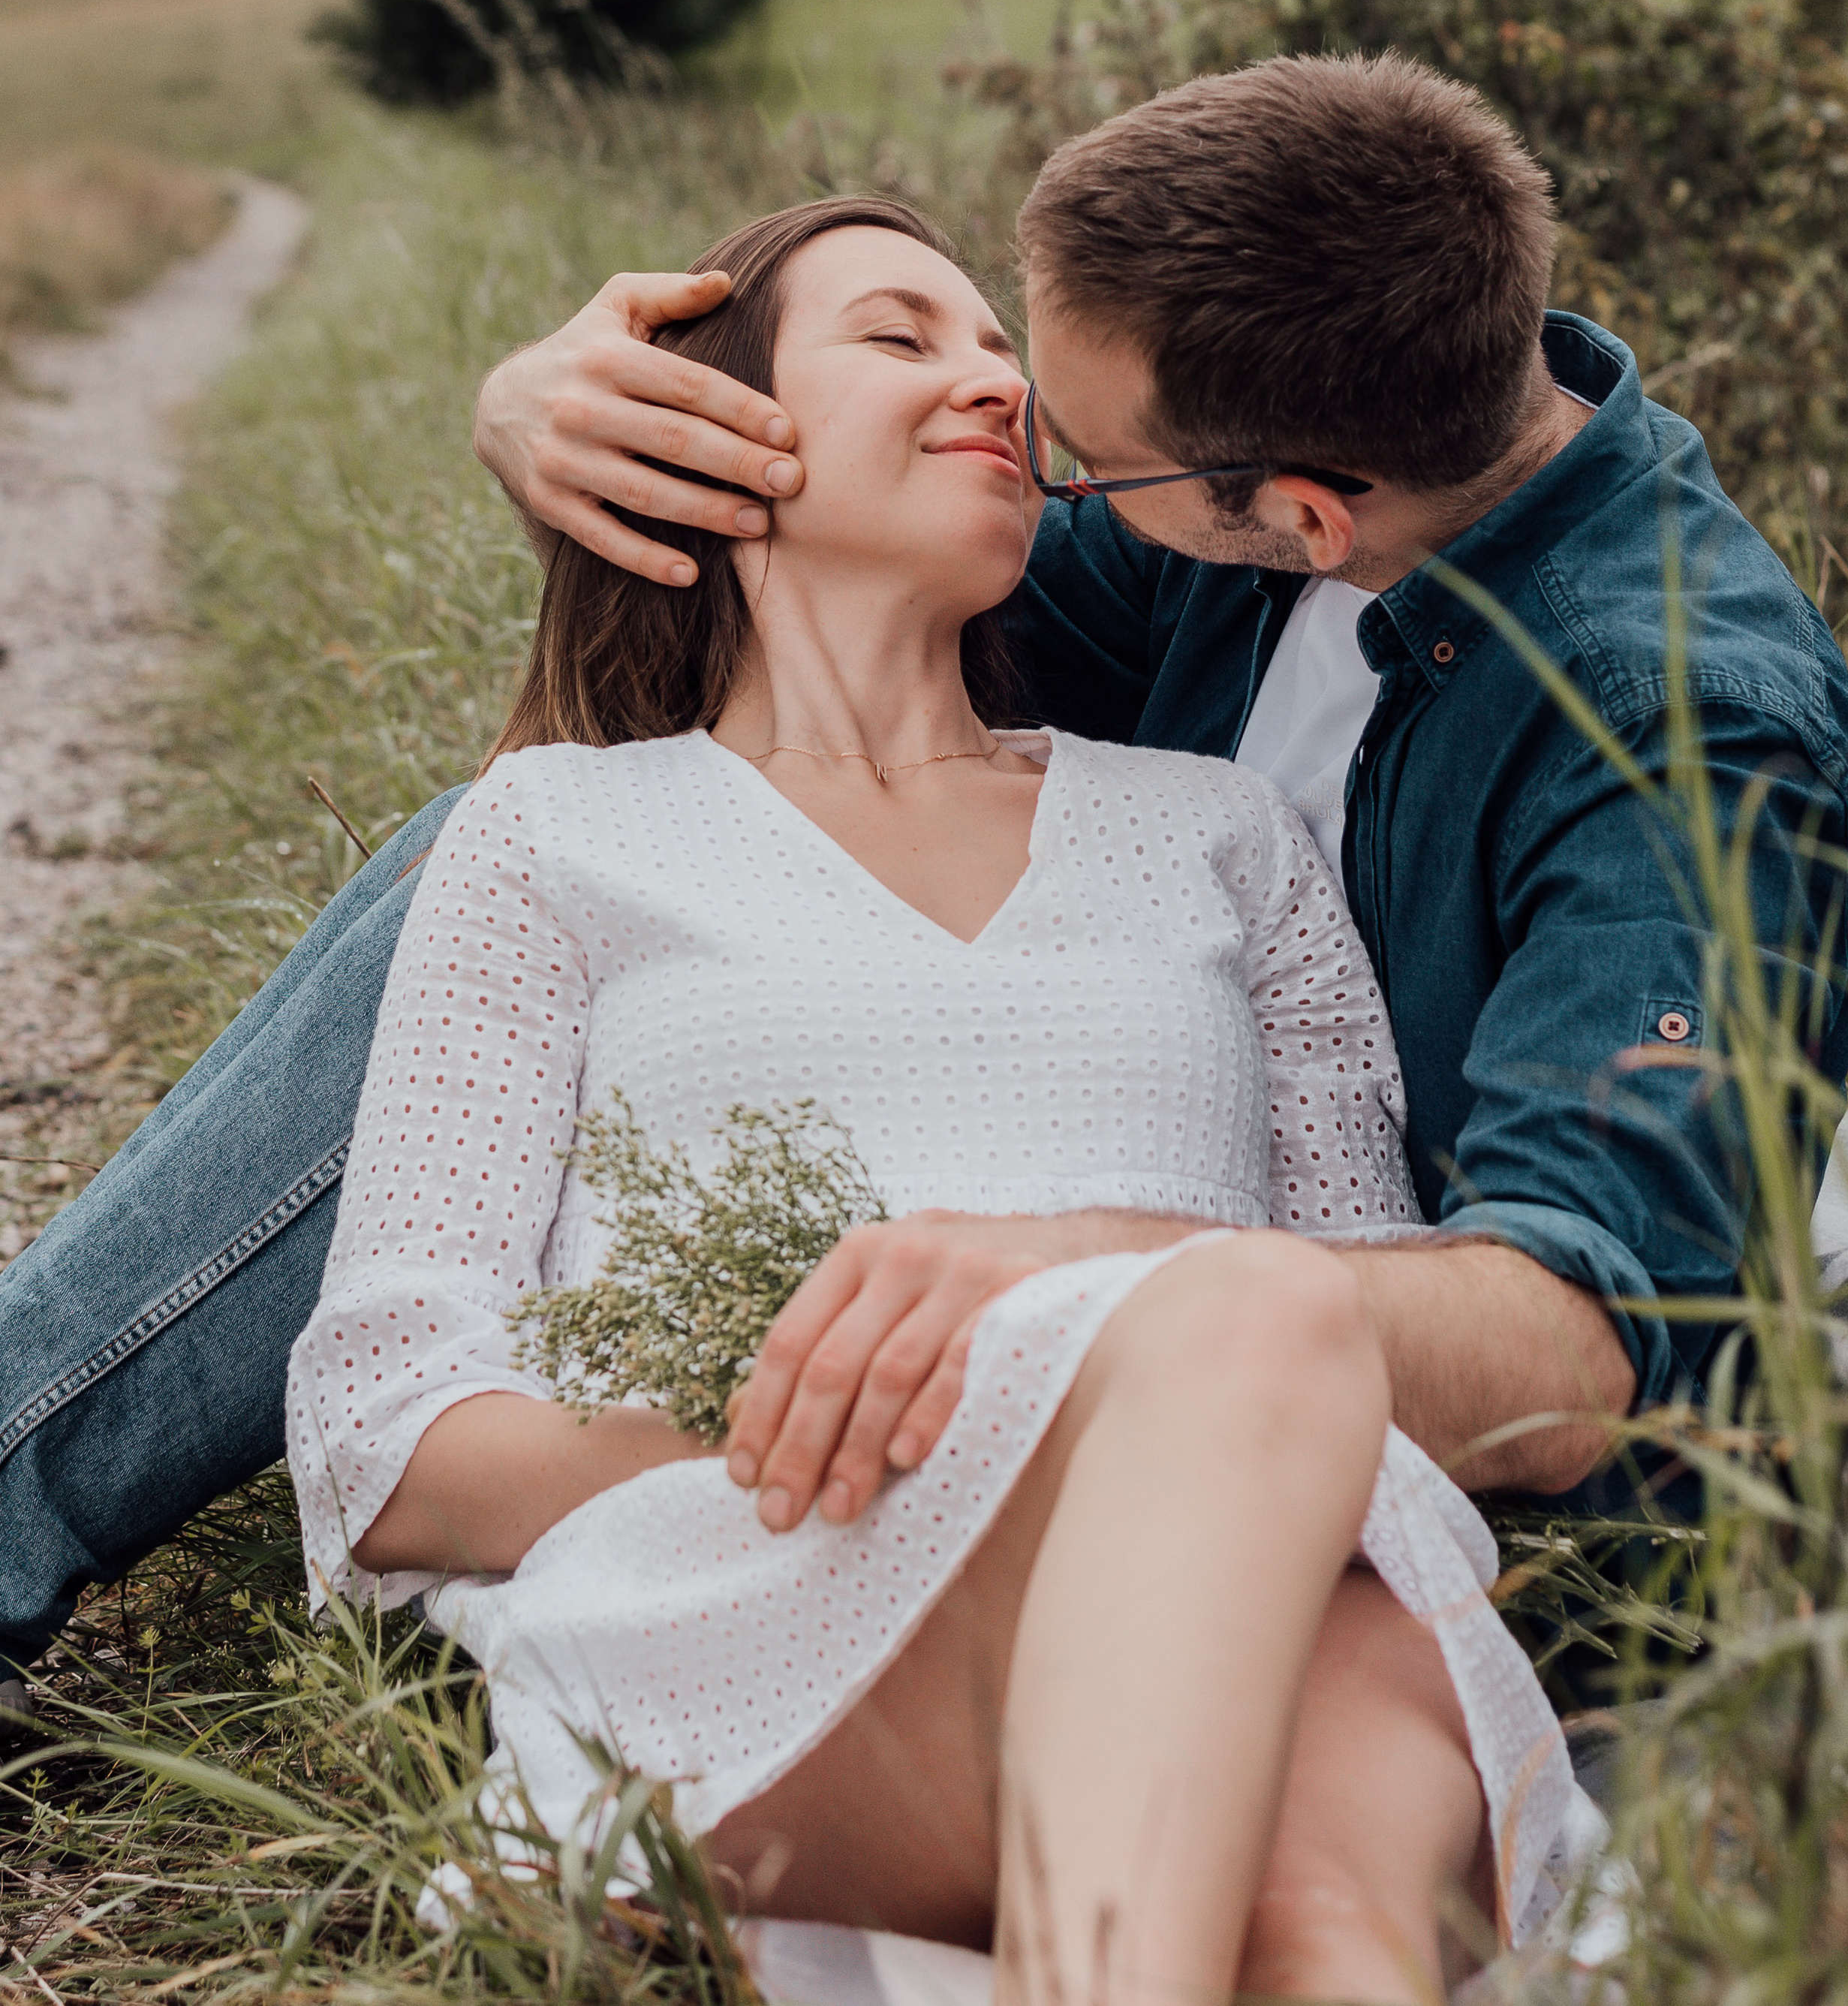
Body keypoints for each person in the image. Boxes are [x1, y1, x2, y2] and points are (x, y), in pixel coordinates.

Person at [0, 51, 1848, 1724]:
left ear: (1305, 513)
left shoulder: (1683, 735)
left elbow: (1571, 1360)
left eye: (1079, 457)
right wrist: (554, 410)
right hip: (1024, 1376)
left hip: (1428, 1497)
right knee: (506, 851)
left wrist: (1072, 1287)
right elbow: (823, 602)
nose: (1014, 432)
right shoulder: (1240, 498)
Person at [285, 194, 1589, 2002]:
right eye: (903, 335)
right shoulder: (558, 831)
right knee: (1245, 1312)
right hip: (781, 1583)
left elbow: (1364, 1308)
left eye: (999, 349)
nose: (992, 380)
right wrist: (909, 1415)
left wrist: (1111, 1380)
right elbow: (380, 1431)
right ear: (718, 433)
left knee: (1324, 1920)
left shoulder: (1213, 831)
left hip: (1273, 1562)